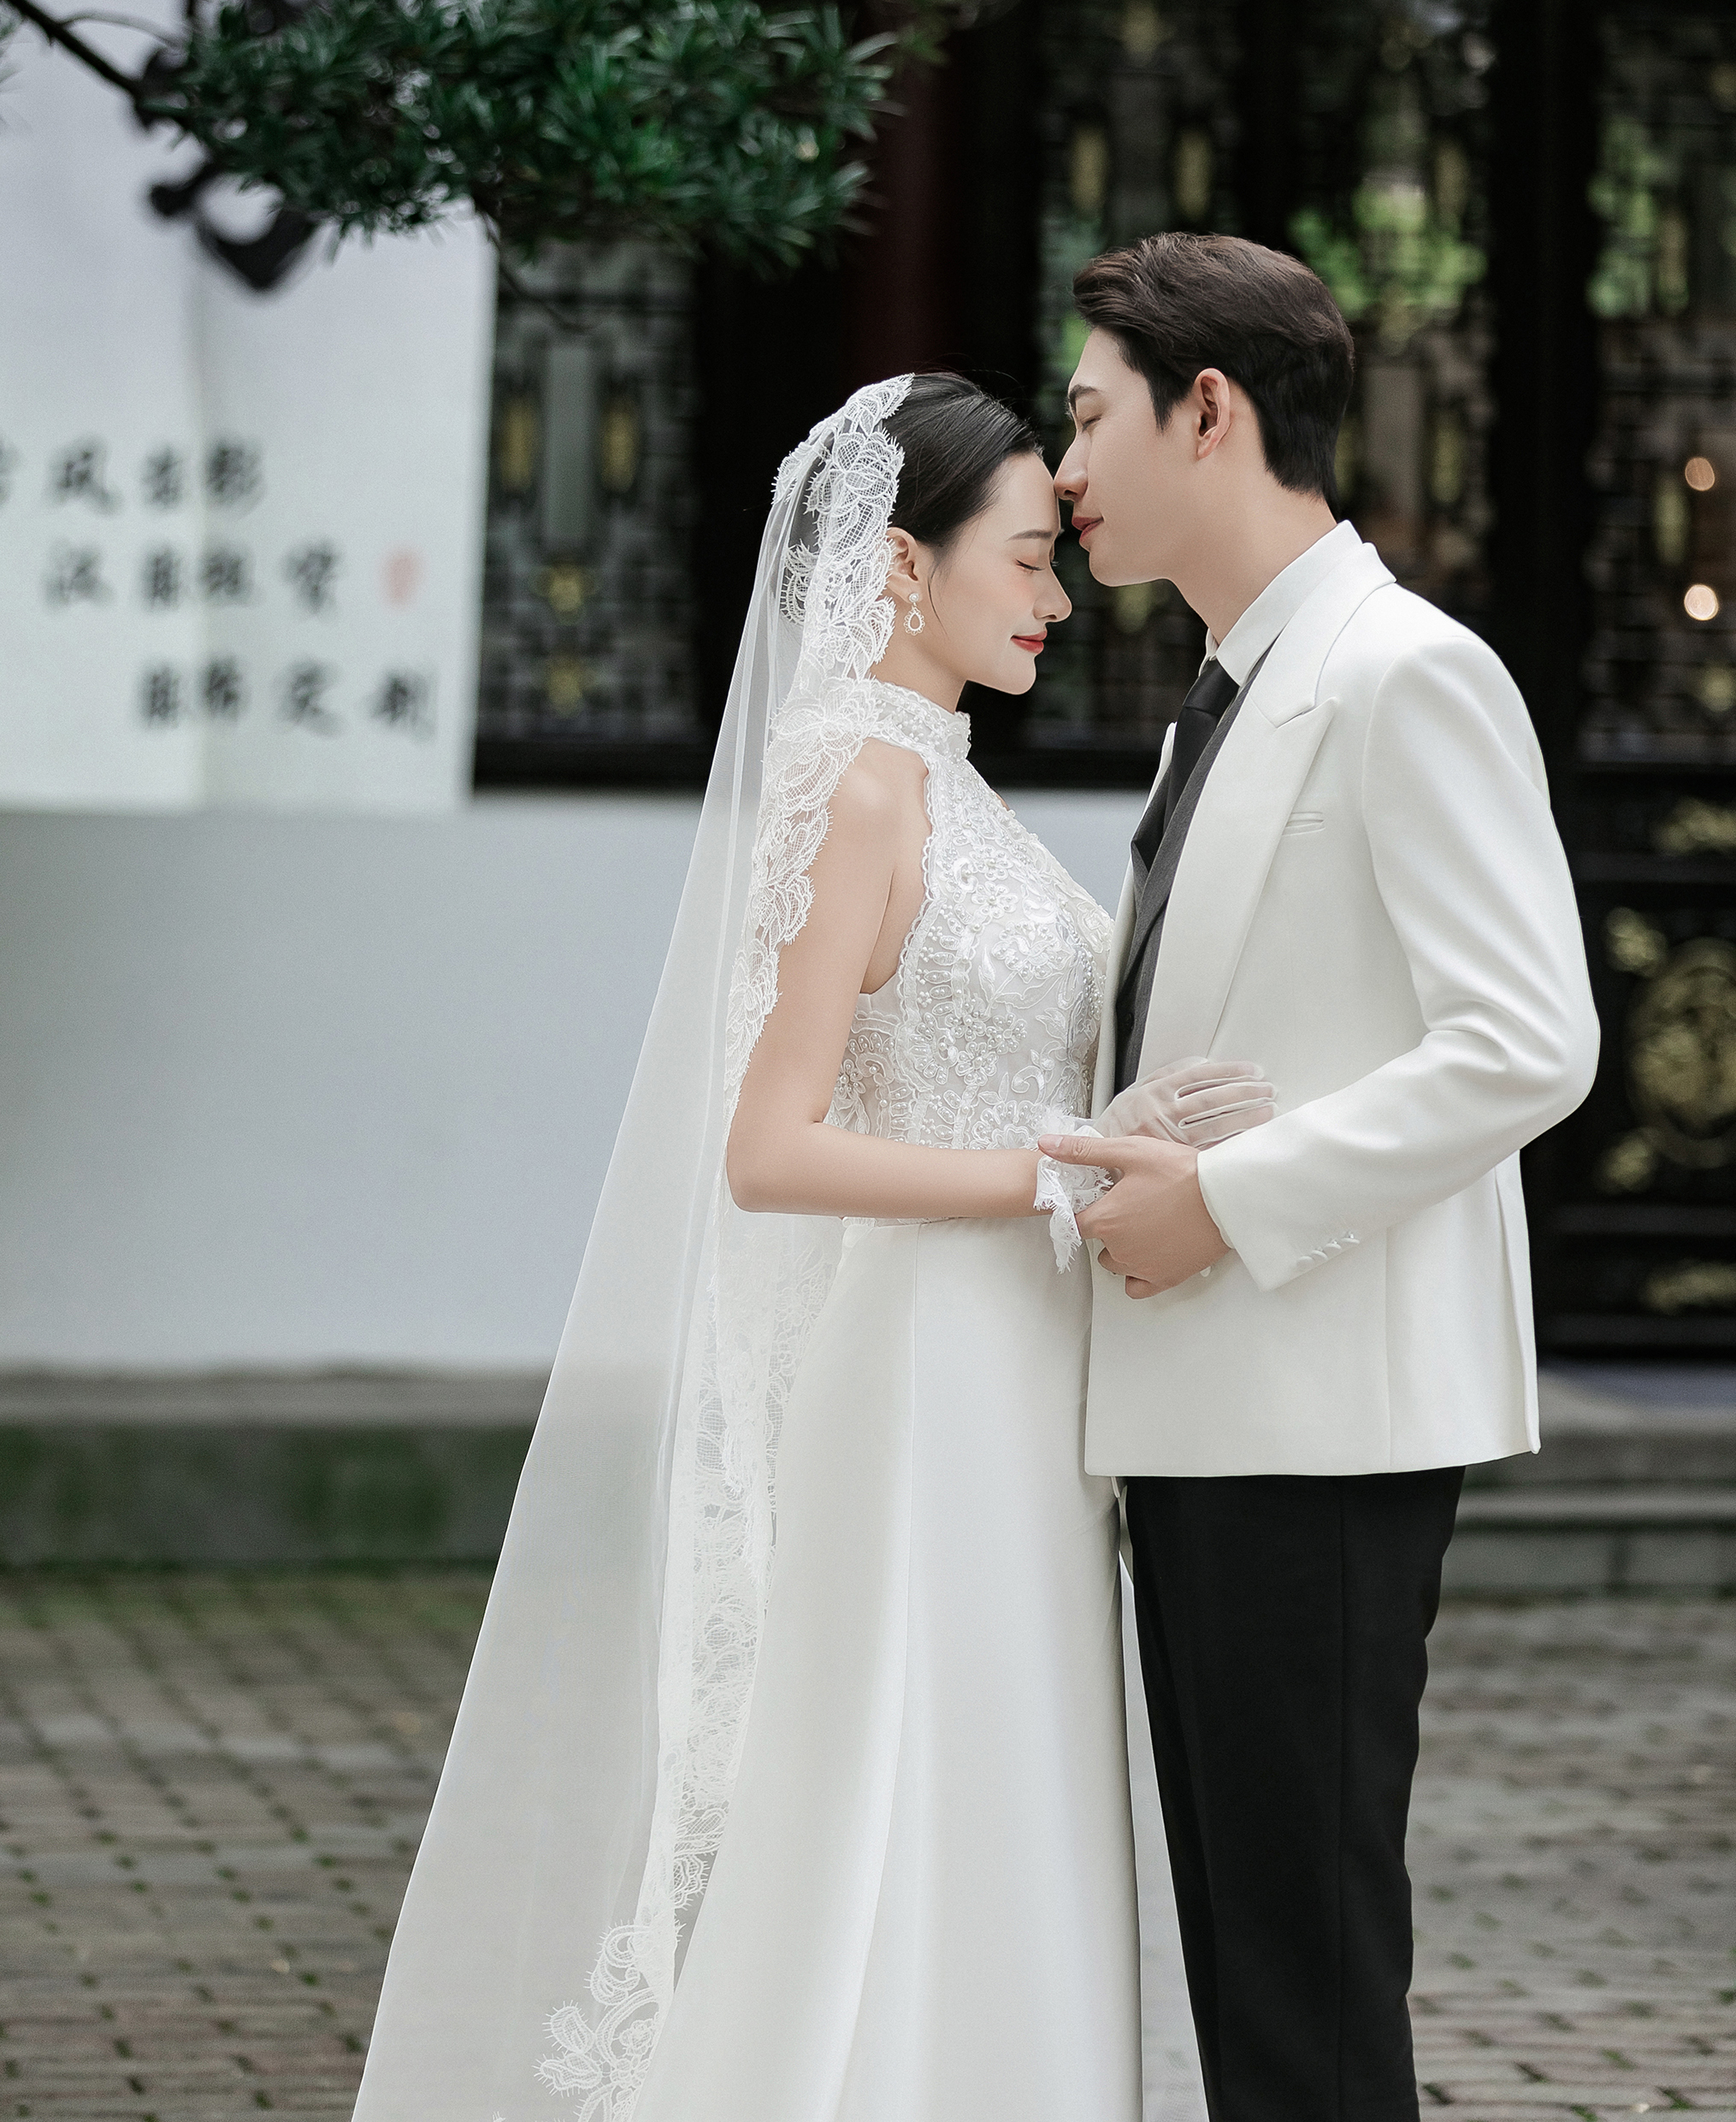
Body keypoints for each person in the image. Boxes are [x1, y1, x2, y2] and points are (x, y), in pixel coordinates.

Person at [351, 372, 1267, 2122]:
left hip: (1017, 1371)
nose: (1058, 598)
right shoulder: (854, 786)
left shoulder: (946, 783)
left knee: (1001, 1775)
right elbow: (767, 1151)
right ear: (904, 567)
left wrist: (1120, 1126)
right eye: (1025, 558)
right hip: (923, 1369)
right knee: (899, 1778)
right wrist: (1052, 1178)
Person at [1041, 233, 1601, 2122]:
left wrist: (1227, 1199)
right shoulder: (1230, 686)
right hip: (1215, 1404)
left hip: (1323, 1411)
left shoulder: (1402, 672)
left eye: (1090, 417)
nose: (1065, 469)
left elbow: (1527, 1038)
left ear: (1208, 410)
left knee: (1305, 1971)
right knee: (1247, 1953)